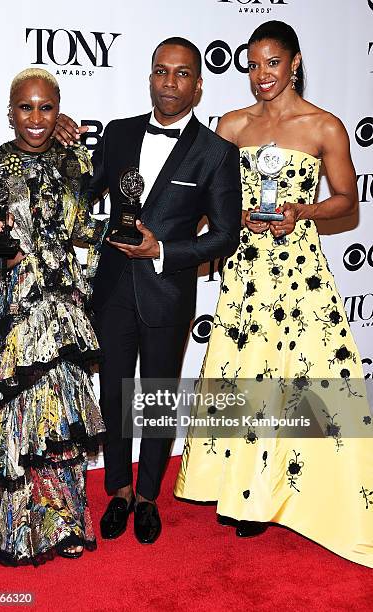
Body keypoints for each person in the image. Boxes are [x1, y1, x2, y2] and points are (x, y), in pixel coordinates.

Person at [174, 21, 373, 568]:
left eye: (272, 63)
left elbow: (346, 204)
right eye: (253, 65)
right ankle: (248, 493)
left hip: (299, 271)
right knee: (246, 373)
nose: (262, 75)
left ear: (295, 62)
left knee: (305, 378)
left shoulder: (324, 127)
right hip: (246, 269)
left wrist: (300, 211)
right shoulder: (231, 124)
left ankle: (309, 491)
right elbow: (206, 197)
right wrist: (226, 217)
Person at [55, 36, 242, 544]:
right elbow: (82, 195)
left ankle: (148, 496)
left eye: (182, 74)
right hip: (113, 288)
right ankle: (117, 488)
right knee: (114, 392)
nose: (170, 82)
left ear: (199, 86)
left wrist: (163, 252)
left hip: (167, 292)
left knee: (158, 397)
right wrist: (60, 141)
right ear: (151, 77)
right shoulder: (116, 134)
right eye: (161, 71)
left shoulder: (216, 153)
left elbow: (226, 233)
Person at [0, 68, 107, 564]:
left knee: (58, 423)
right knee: (11, 421)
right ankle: (4, 530)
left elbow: (85, 233)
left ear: (59, 110)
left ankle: (63, 526)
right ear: (10, 112)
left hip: (60, 309)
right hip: (13, 314)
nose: (36, 118)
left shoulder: (75, 164)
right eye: (26, 107)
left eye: (46, 107)